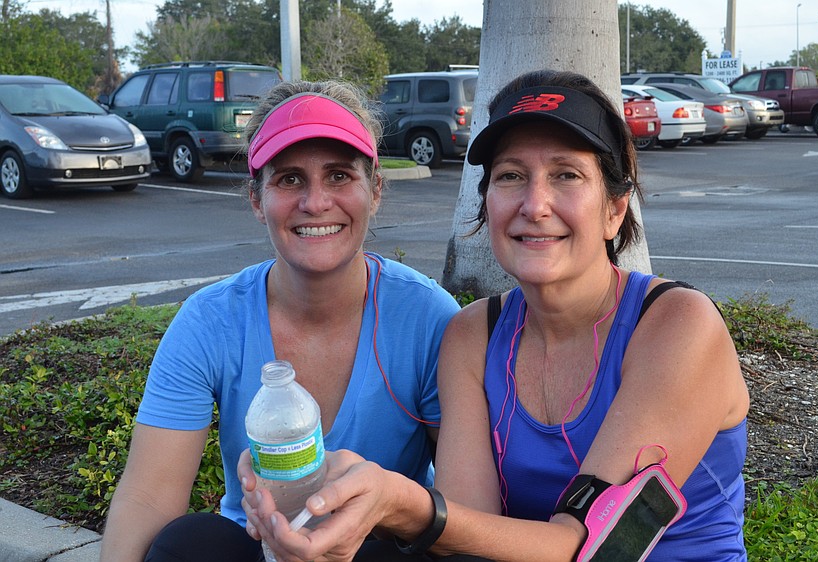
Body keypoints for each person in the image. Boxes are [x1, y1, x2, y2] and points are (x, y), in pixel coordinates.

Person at [239, 69, 751, 562]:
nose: (535, 204)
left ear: (615, 209)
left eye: (566, 175)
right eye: (510, 176)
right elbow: (469, 536)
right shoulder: (472, 335)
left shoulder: (675, 324)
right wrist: (335, 498)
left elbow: (595, 547)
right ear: (486, 203)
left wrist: (401, 502)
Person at [99, 79, 461, 562]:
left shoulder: (429, 319)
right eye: (289, 179)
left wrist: (393, 508)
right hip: (258, 549)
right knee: (189, 546)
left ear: (374, 190)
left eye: (338, 176)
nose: (315, 203)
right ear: (255, 198)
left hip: (376, 549)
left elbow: (464, 514)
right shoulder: (209, 322)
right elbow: (146, 500)